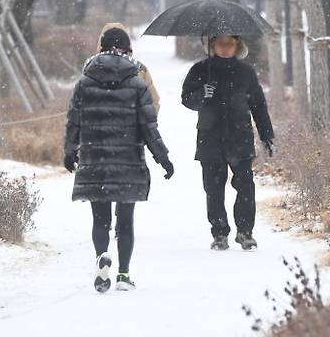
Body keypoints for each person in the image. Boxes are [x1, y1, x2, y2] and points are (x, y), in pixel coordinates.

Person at [64, 26, 174, 293]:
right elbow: (149, 126)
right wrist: (163, 158)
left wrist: (69, 153)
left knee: (100, 219)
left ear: (100, 47)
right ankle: (124, 274)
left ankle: (102, 258)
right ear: (128, 50)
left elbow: (73, 122)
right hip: (128, 162)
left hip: (94, 160)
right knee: (125, 220)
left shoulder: (84, 82)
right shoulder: (137, 83)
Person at [181, 35, 274, 251]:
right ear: (212, 45)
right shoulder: (200, 70)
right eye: (220, 44)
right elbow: (186, 99)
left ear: (237, 46)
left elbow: (258, 105)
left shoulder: (246, 73)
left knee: (245, 187)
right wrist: (202, 94)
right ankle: (220, 232)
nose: (224, 48)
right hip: (210, 137)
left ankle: (245, 231)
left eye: (229, 44)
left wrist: (266, 135)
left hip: (239, 136)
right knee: (213, 189)